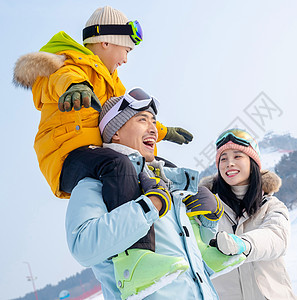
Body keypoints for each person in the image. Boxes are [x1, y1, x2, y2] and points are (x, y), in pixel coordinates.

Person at [12, 5, 193, 200]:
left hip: (101, 153)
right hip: (68, 156)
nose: (125, 60)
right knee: (119, 165)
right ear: (106, 42)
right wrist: (76, 87)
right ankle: (128, 227)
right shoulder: (68, 65)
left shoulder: (113, 84)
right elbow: (60, 77)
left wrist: (164, 131)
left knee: (167, 171)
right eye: (126, 51)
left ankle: (197, 217)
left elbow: (129, 115)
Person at [65, 90, 220, 299]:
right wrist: (148, 206)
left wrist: (209, 224)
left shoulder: (168, 184)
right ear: (116, 132)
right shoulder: (95, 184)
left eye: (154, 122)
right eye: (142, 120)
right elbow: (83, 246)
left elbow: (191, 265)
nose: (153, 129)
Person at [200, 128, 297, 299]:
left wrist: (243, 245)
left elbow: (277, 237)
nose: (229, 163)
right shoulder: (206, 211)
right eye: (223, 159)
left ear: (252, 162)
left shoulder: (272, 206)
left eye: (237, 156)